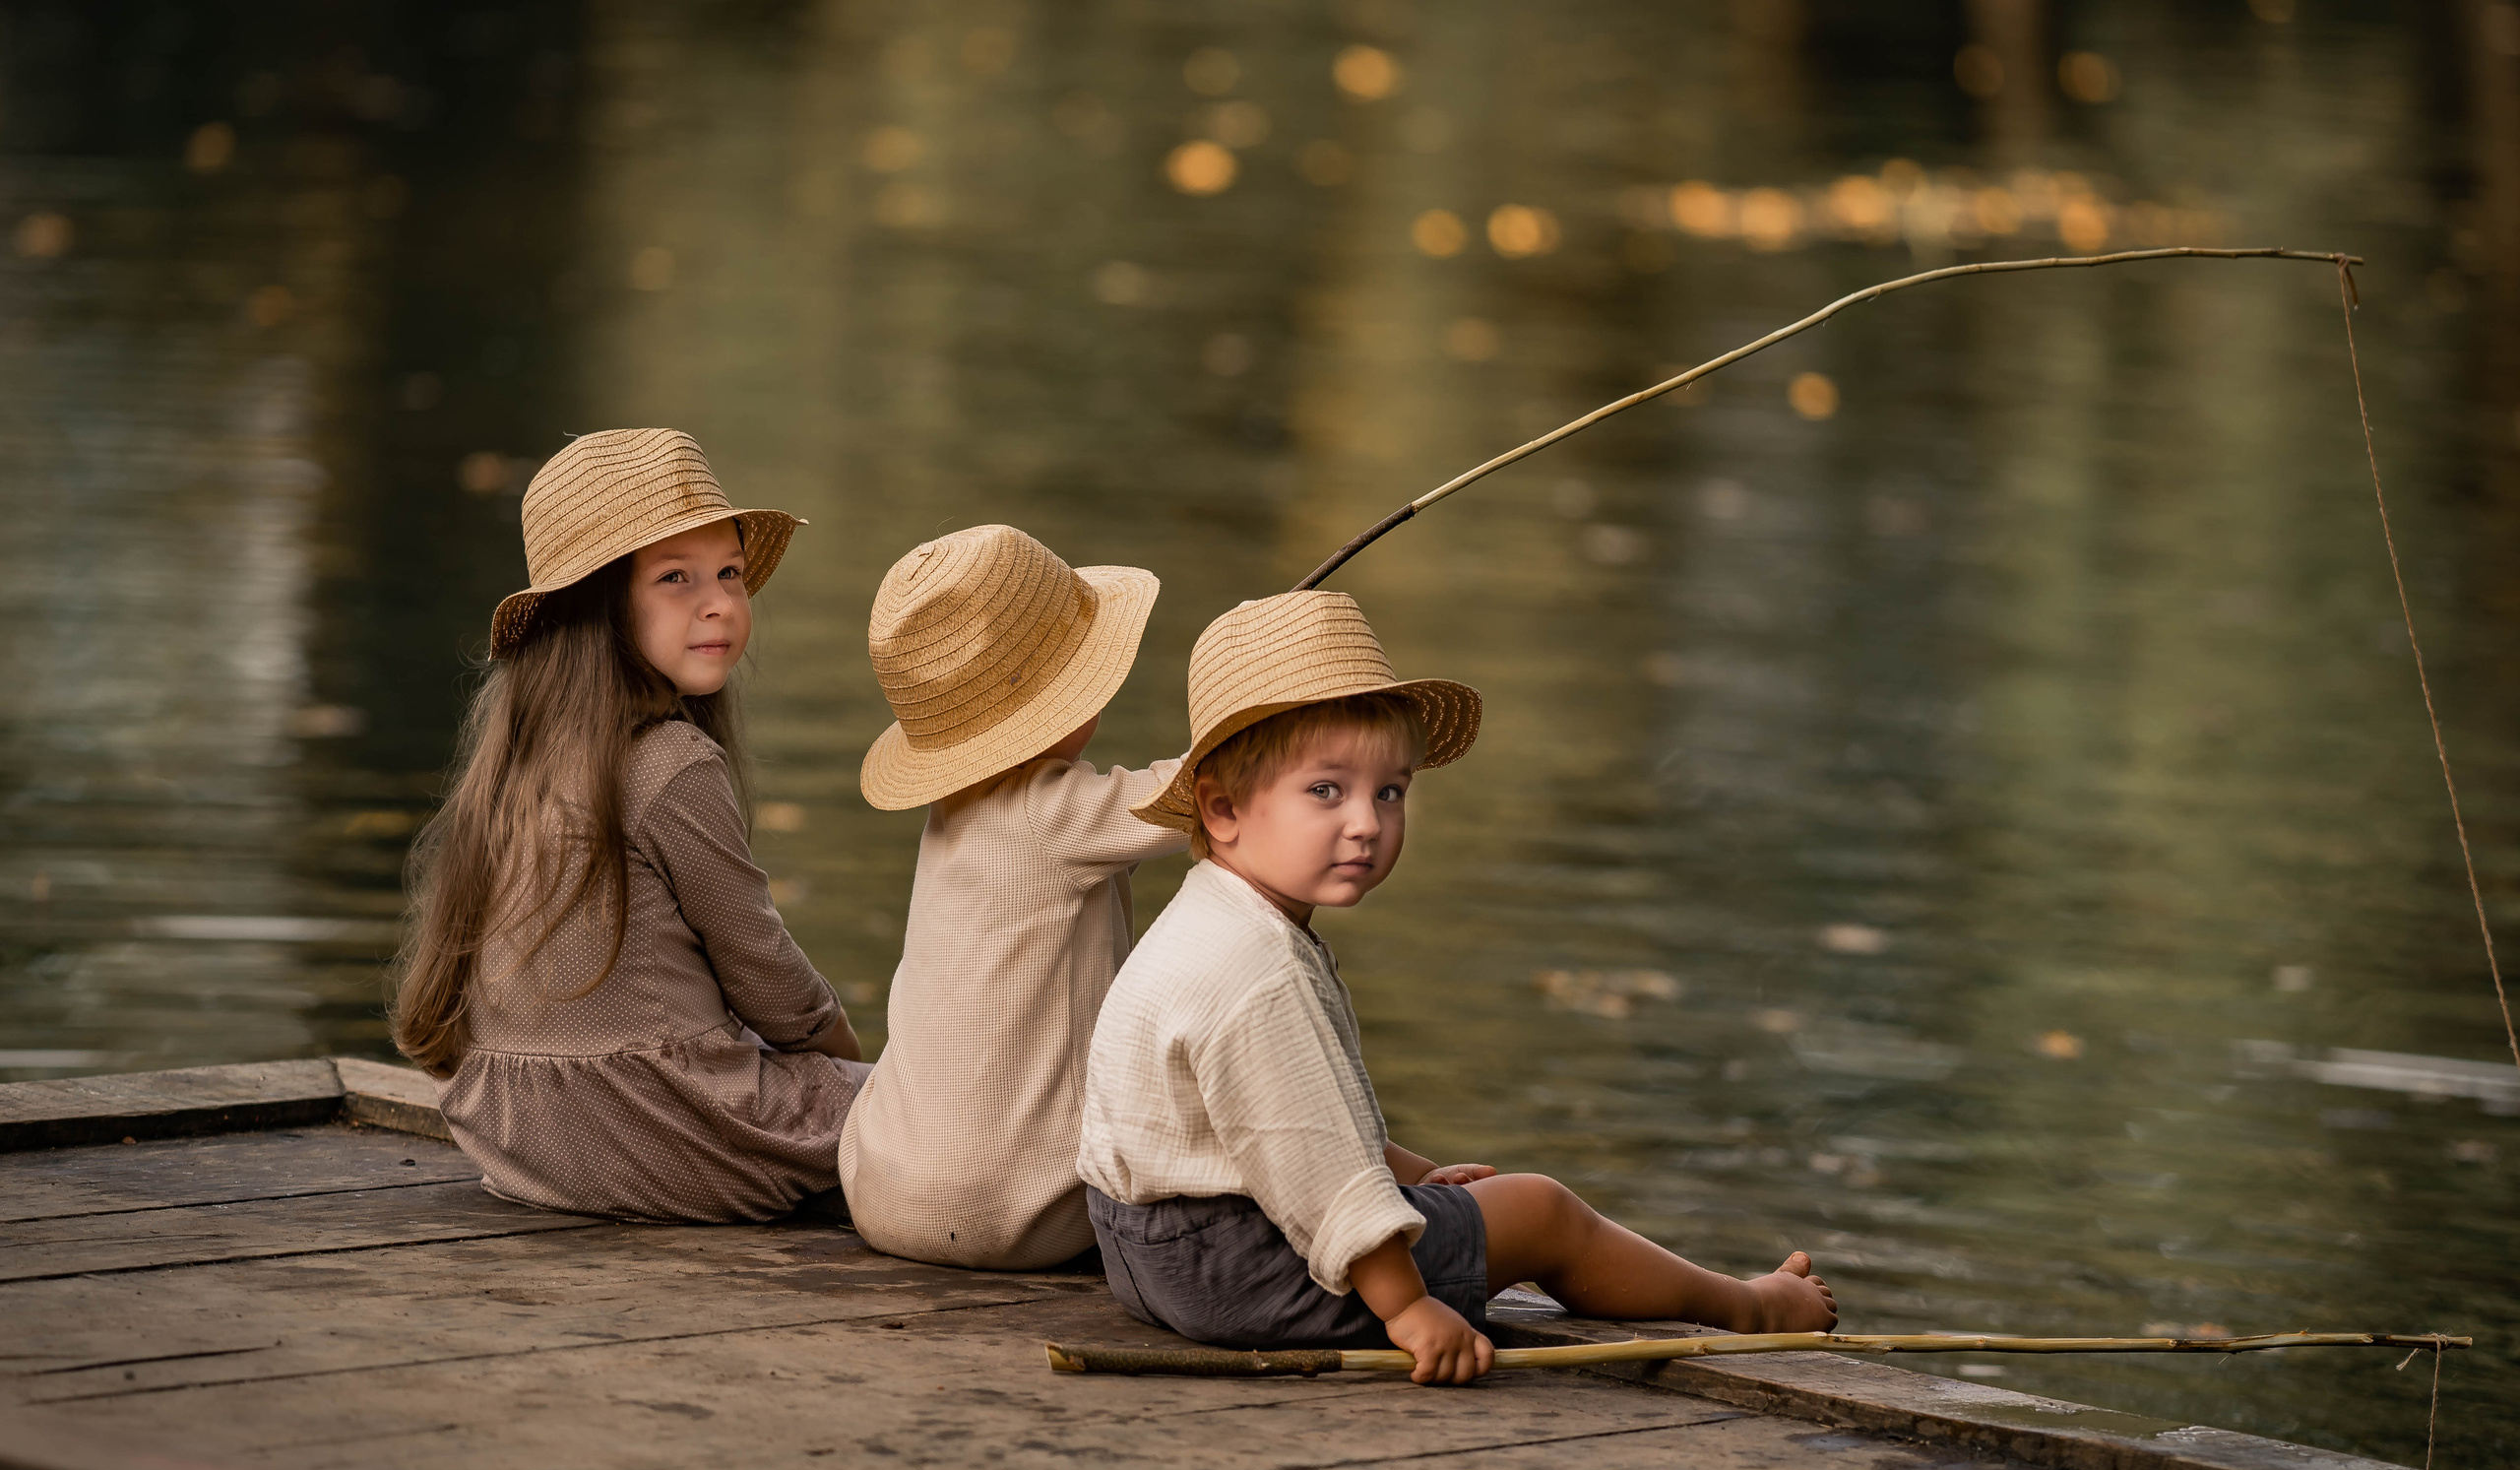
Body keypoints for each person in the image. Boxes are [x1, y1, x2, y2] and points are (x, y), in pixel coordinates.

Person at [1078, 590, 1839, 1384]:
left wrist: (1409, 1173)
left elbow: (1280, 1121)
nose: (1367, 822)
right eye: (1326, 791)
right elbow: (1315, 1168)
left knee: (1480, 1201)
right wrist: (1407, 1308)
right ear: (1225, 809)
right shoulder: (1259, 972)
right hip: (1248, 1273)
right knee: (1542, 1211)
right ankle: (1749, 1306)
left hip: (1140, 1254)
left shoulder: (1205, 917)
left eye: (1391, 791)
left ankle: (1468, 1239)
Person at [393, 428, 867, 1222]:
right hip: (651, 1126)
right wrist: (843, 1055)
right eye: (675, 578)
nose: (718, 601)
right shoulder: (668, 761)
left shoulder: (520, 756)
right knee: (929, 1112)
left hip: (521, 1136)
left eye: (730, 574)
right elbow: (763, 972)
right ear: (599, 606)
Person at [838, 525, 1185, 1269]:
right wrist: (1251, 721)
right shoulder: (1055, 809)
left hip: (881, 1194)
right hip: (1026, 1215)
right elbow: (1198, 793)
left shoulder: (950, 811)